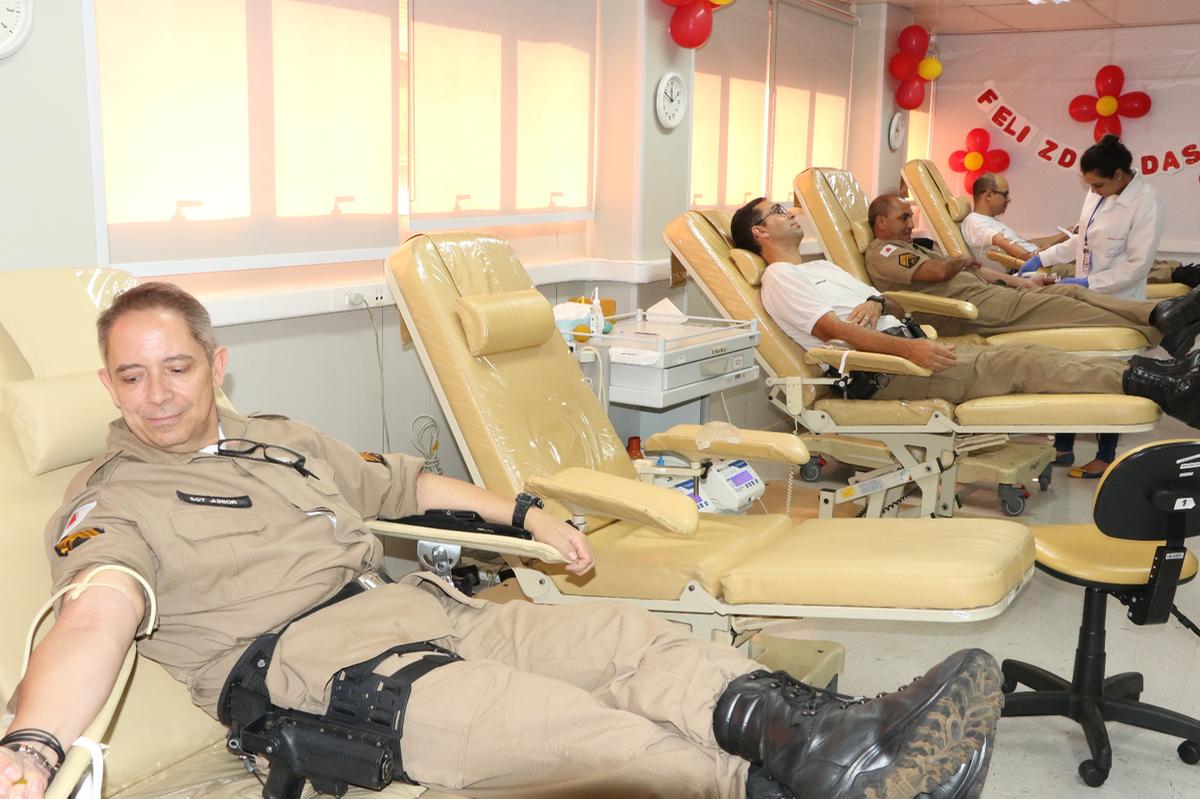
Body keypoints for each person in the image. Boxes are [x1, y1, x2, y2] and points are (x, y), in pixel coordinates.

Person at [1, 282, 1004, 799]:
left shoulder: (280, 439)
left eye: (175, 367)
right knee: (611, 742)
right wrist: (33, 745)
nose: (157, 394)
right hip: (328, 674)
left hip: (437, 611)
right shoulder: (110, 499)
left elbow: (401, 479)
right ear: (105, 388)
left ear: (216, 364)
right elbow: (99, 610)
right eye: (130, 378)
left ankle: (830, 739)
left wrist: (523, 514)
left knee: (632, 643)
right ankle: (822, 777)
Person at [733, 197, 1200, 423]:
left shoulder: (825, 267)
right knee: (1021, 360)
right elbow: (837, 333)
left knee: (1032, 347)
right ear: (760, 233)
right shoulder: (781, 279)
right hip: (887, 369)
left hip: (910, 344)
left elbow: (887, 300)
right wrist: (909, 353)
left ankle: (1156, 363)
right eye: (776, 210)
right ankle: (1160, 384)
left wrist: (875, 302)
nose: (789, 211)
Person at [1018, 137, 1190, 475]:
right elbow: (1082, 240)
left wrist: (1087, 284)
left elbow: (1137, 266)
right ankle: (1063, 448)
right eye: (1089, 185)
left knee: (1106, 376)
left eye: (1098, 184)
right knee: (1068, 369)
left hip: (1117, 300)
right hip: (1084, 299)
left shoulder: (1146, 203)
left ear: (1121, 175)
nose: (1093, 191)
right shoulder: (1098, 193)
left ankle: (1106, 454)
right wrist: (1042, 258)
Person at [862, 194, 1200, 359]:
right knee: (1070, 307)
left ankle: (1164, 318)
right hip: (966, 311)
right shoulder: (884, 252)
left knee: (1070, 293)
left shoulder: (917, 247)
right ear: (880, 223)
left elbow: (978, 271)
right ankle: (1162, 322)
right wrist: (961, 258)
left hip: (988, 296)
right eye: (903, 218)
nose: (910, 223)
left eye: (910, 217)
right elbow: (938, 272)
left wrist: (1021, 282)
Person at [963, 172, 1197, 288]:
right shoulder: (976, 222)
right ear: (988, 195)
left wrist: (1064, 234)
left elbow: (1024, 243)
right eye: (1005, 194)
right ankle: (1176, 276)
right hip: (1040, 267)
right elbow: (1015, 251)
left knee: (1112, 252)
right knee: (1110, 263)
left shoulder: (994, 223)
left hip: (1043, 258)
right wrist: (1040, 257)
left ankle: (1180, 269)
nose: (1009, 199)